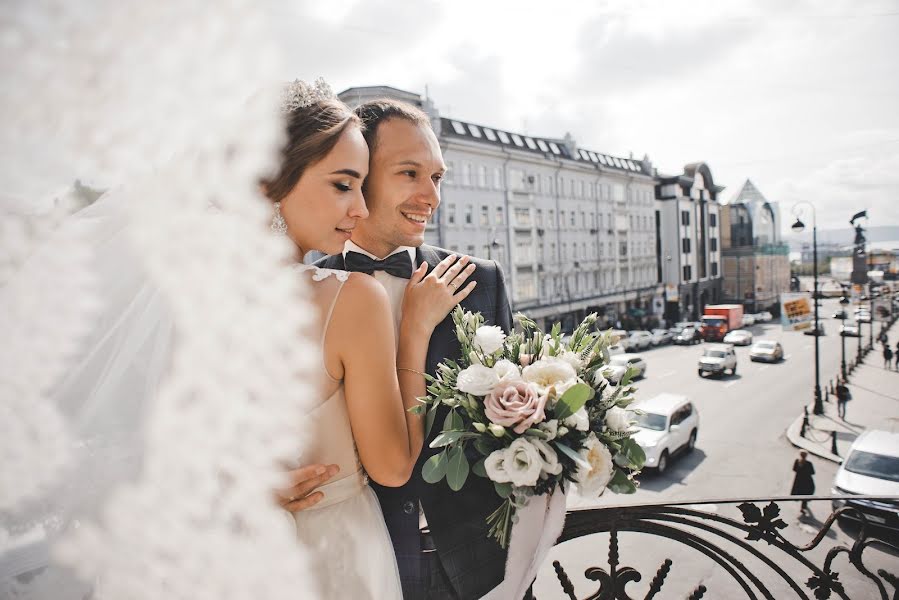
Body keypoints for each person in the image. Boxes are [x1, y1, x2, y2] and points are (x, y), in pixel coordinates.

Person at [265, 83, 476, 598]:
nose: (356, 207)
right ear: (275, 181)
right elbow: (393, 465)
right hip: (344, 553)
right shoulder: (348, 297)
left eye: (437, 177)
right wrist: (413, 333)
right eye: (344, 184)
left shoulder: (188, 299)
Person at [312, 99, 518, 600]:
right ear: (358, 177)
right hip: (355, 560)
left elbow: (513, 425)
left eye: (438, 177)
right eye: (409, 173)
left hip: (475, 566)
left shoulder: (481, 281)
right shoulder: (306, 289)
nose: (431, 196)